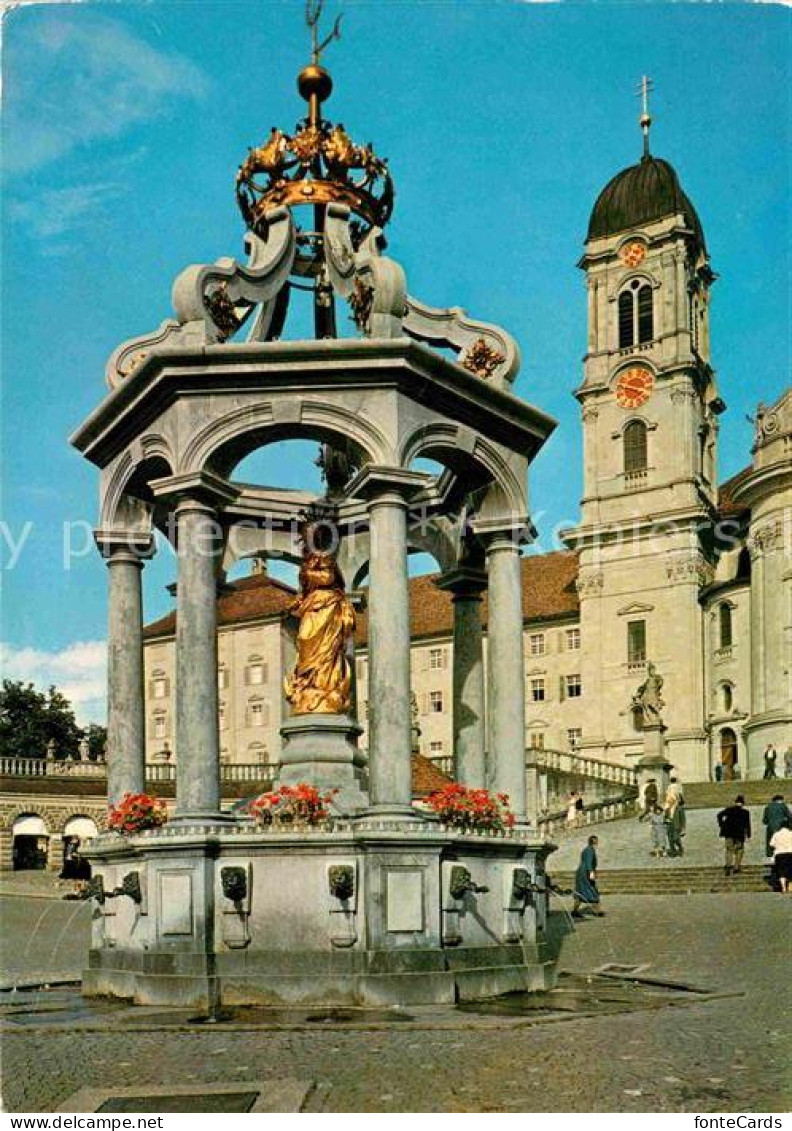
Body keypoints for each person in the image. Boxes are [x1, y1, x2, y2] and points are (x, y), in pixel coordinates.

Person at [717, 795, 751, 875]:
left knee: (729, 850)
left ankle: (728, 866)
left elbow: (719, 815)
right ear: (742, 803)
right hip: (739, 834)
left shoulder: (729, 810)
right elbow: (747, 824)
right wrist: (748, 834)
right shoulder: (745, 812)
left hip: (729, 833)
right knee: (739, 850)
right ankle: (736, 866)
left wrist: (722, 825)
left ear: (735, 802)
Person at [572, 835, 605, 918]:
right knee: (592, 890)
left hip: (582, 873)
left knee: (581, 893)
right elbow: (588, 862)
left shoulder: (587, 849)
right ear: (594, 841)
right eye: (596, 840)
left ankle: (575, 911)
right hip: (585, 873)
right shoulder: (589, 850)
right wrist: (591, 872)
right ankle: (597, 911)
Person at [664, 777, 686, 857]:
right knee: (670, 839)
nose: (669, 801)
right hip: (669, 824)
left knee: (676, 838)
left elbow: (683, 818)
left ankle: (680, 848)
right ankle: (672, 851)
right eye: (669, 800)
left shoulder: (679, 808)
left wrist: (683, 827)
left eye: (671, 800)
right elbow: (665, 816)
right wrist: (665, 821)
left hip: (676, 825)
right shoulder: (667, 808)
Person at [769, 821, 792, 893]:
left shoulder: (776, 834)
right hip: (790, 853)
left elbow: (771, 844)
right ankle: (790, 887)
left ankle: (783, 887)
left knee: (781, 871)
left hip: (779, 854)